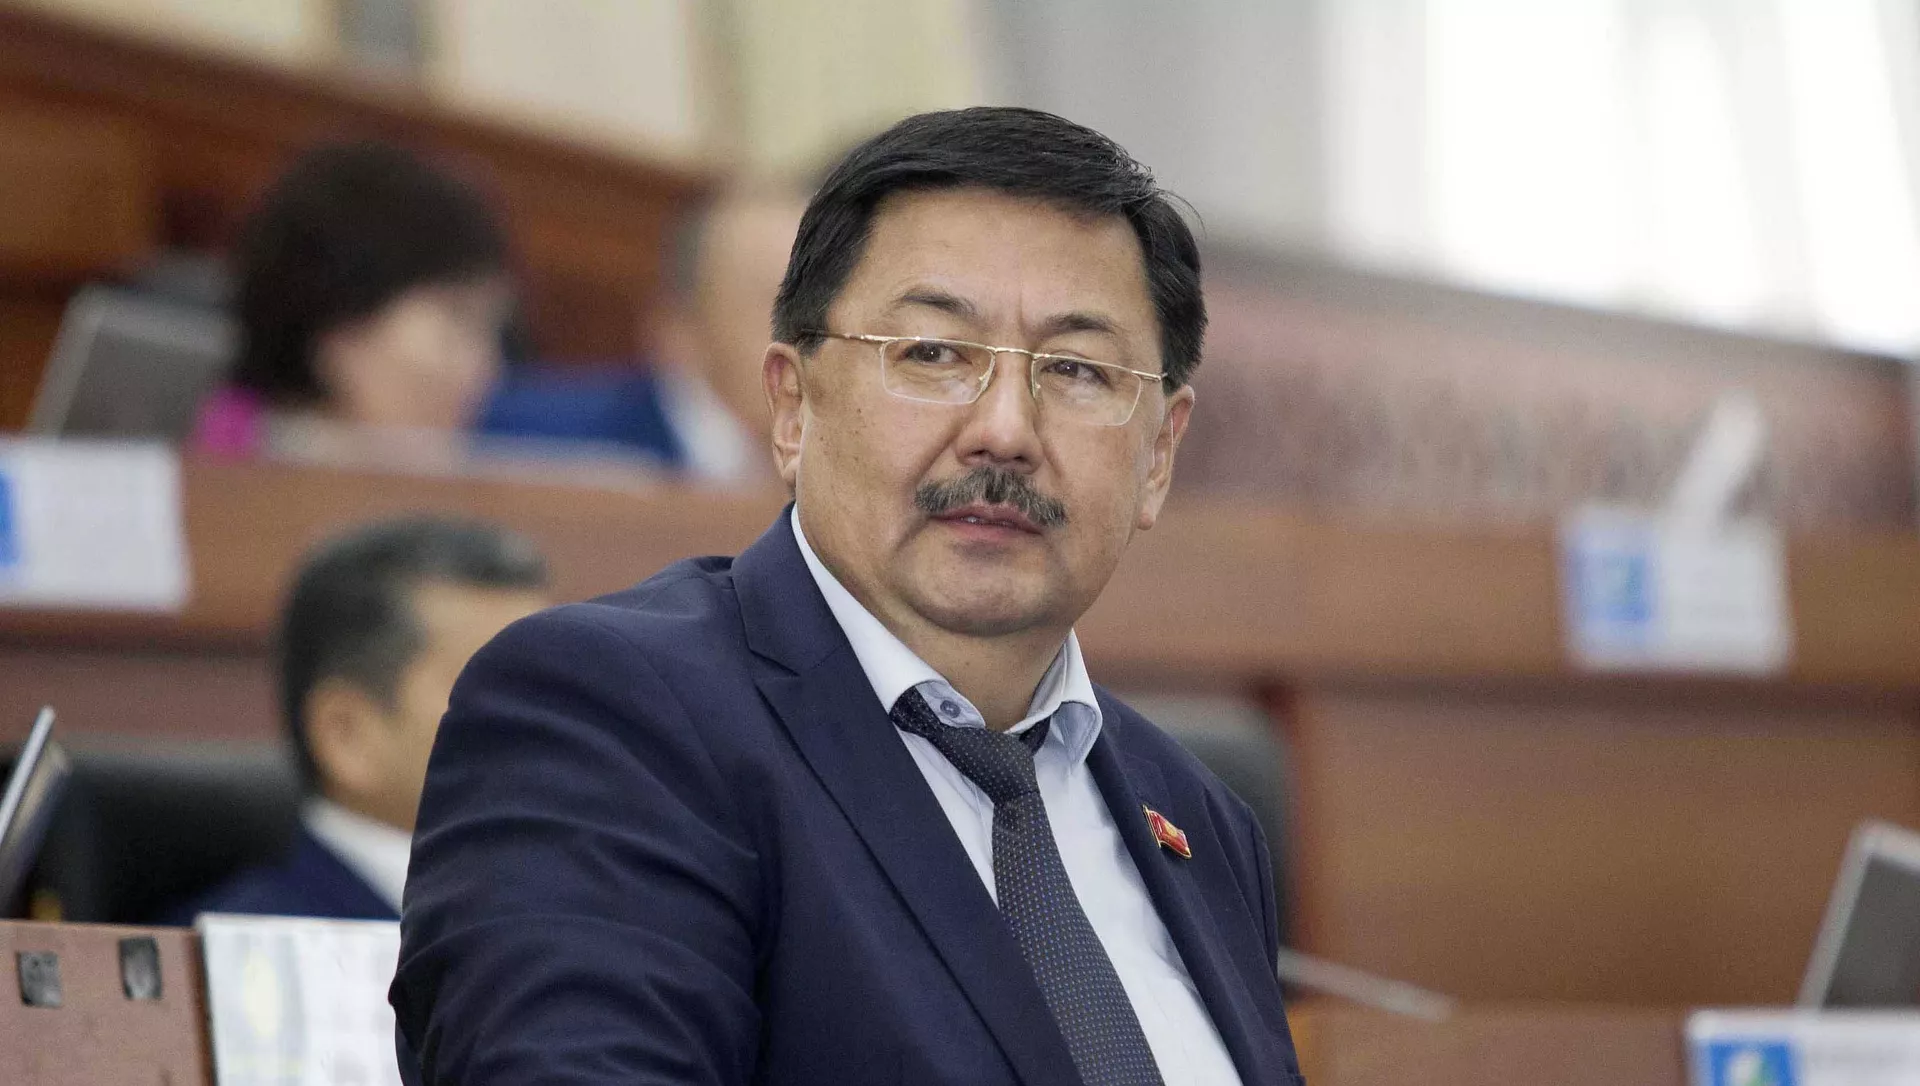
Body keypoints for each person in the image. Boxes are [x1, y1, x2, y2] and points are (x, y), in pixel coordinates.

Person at [393, 107, 1303, 1085]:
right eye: (933, 354)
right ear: (792, 407)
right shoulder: (610, 719)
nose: (1004, 431)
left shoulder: (1200, 818)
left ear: (1159, 456)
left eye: (1077, 370)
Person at [164, 518, 549, 922]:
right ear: (346, 735)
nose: (550, 718)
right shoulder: (226, 948)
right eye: (498, 686)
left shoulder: (571, 917)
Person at [196, 142, 516, 461]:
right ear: (341, 323)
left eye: (490, 330)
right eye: (458, 321)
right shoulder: (206, 466)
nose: (486, 370)